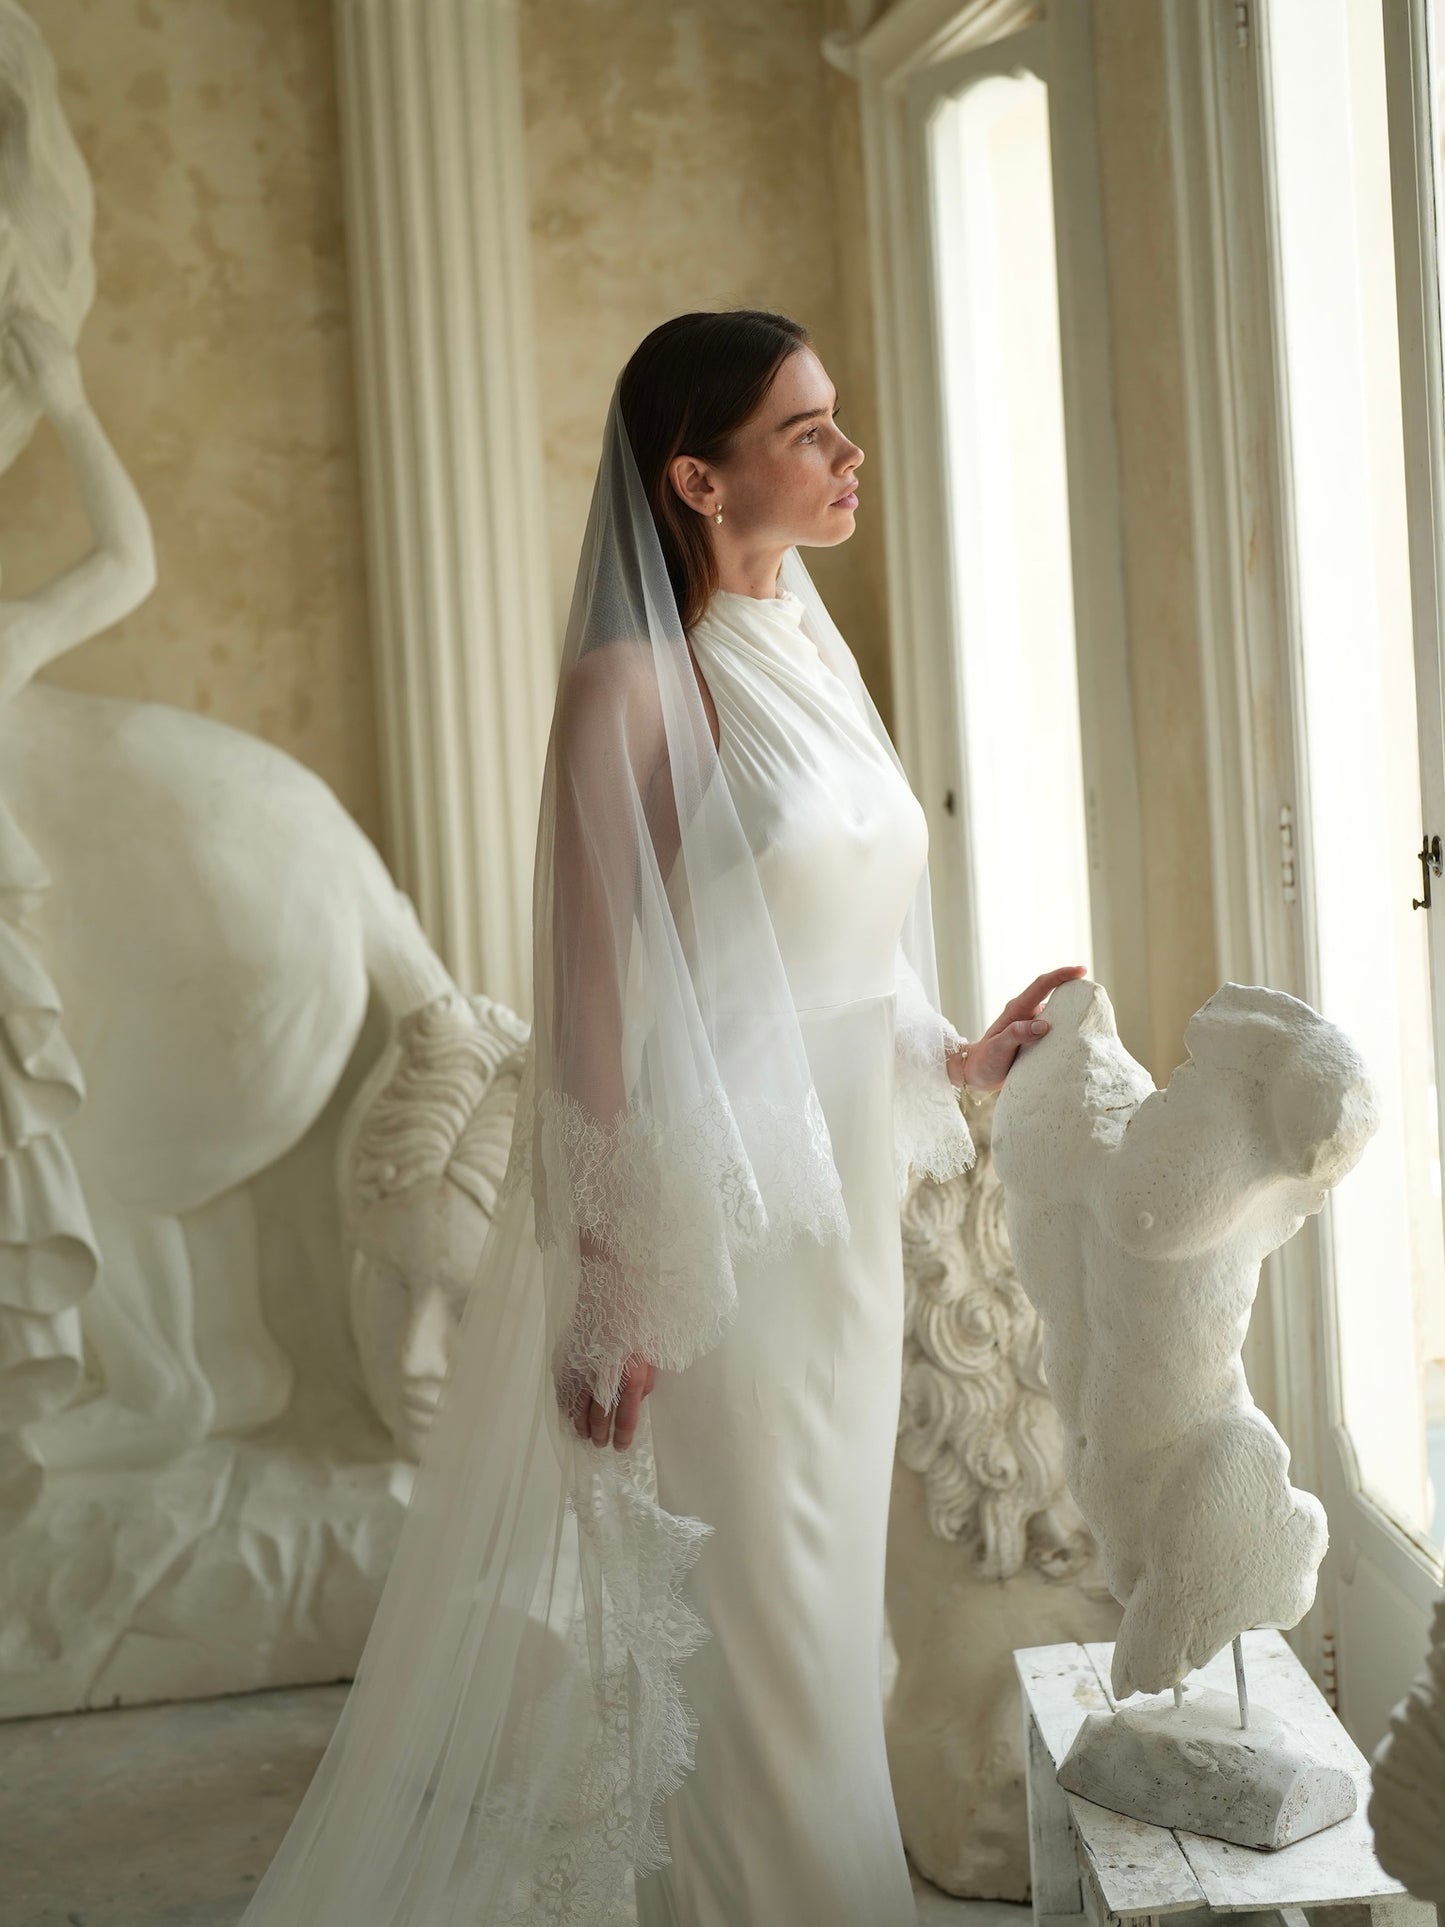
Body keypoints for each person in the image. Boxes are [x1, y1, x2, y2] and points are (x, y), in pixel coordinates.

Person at [237, 308, 1084, 1927]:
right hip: (717, 1244)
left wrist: (958, 1057)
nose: (847, 455)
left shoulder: (809, 643)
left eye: (834, 421)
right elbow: (593, 1013)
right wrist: (614, 1287)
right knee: (754, 1615)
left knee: (829, 1617)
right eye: (806, 430)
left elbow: (822, 950)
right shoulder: (627, 688)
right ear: (697, 477)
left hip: (844, 1222)